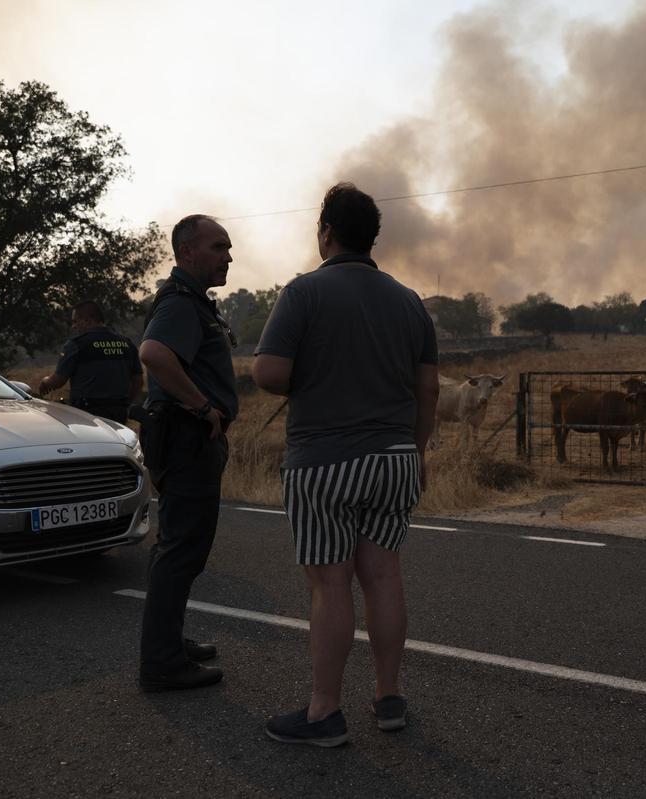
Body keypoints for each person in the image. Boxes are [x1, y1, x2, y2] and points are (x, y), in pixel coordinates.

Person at [253, 183, 439, 747]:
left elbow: (267, 374)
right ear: (372, 236)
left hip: (324, 462)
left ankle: (323, 713)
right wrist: (417, 450)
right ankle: (388, 697)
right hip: (395, 460)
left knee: (329, 584)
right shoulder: (410, 300)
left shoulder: (304, 292)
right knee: (383, 574)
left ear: (326, 232)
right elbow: (427, 388)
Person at [136, 214, 238, 692]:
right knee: (181, 551)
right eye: (218, 247)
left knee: (179, 548)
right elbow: (154, 353)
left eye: (228, 247)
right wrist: (204, 408)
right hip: (186, 439)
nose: (228, 257)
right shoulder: (180, 303)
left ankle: (169, 644)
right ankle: (161, 664)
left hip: (185, 439)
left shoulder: (194, 302)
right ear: (186, 252)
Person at [38, 301, 142, 423]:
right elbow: (138, 381)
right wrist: (125, 403)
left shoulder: (76, 345)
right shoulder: (127, 344)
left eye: (76, 321)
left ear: (88, 320)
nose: (74, 326)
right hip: (118, 413)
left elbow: (58, 381)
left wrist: (45, 382)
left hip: (87, 415)